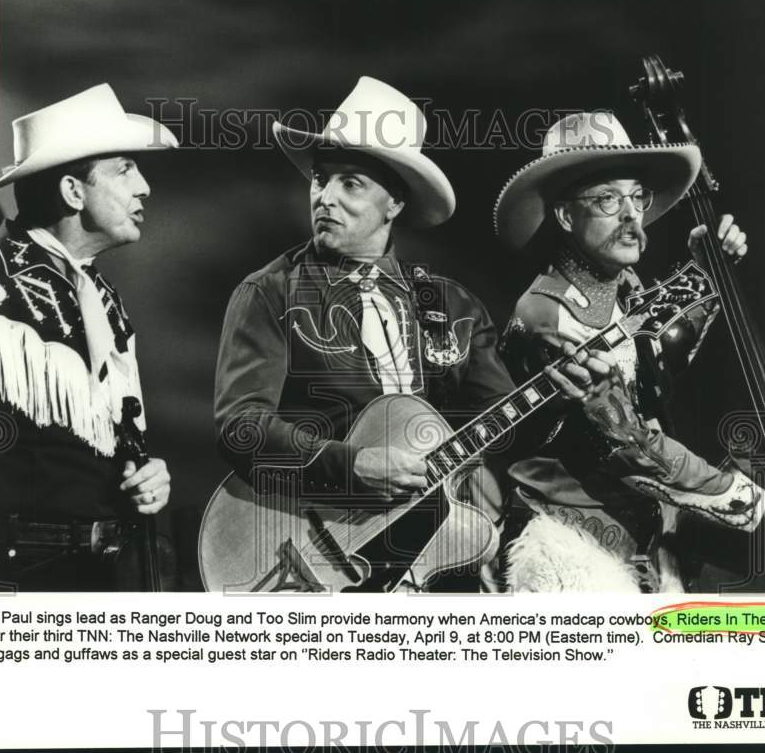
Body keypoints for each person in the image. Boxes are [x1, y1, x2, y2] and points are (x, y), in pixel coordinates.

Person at [213, 77, 611, 592]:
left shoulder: (451, 305)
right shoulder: (270, 293)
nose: (325, 198)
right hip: (314, 552)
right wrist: (352, 465)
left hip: (430, 560)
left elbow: (508, 432)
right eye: (320, 179)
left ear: (394, 203)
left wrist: (560, 392)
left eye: (350, 183)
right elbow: (240, 428)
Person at [493, 111, 765, 592]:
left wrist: (710, 273)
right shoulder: (548, 315)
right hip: (569, 549)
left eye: (637, 196)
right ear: (567, 216)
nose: (632, 215)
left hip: (644, 538)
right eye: (608, 199)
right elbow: (632, 445)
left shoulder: (623, 287)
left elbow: (657, 365)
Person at [0, 84, 177, 591]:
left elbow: (101, 453)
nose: (144, 187)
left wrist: (148, 479)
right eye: (124, 170)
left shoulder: (103, 299)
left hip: (110, 588)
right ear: (74, 192)